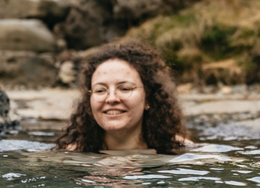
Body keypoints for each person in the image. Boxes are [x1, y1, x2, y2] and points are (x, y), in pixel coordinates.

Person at [55, 39, 188, 154]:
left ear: (148, 98)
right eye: (100, 90)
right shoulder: (68, 155)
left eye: (125, 89)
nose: (111, 98)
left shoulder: (181, 150)